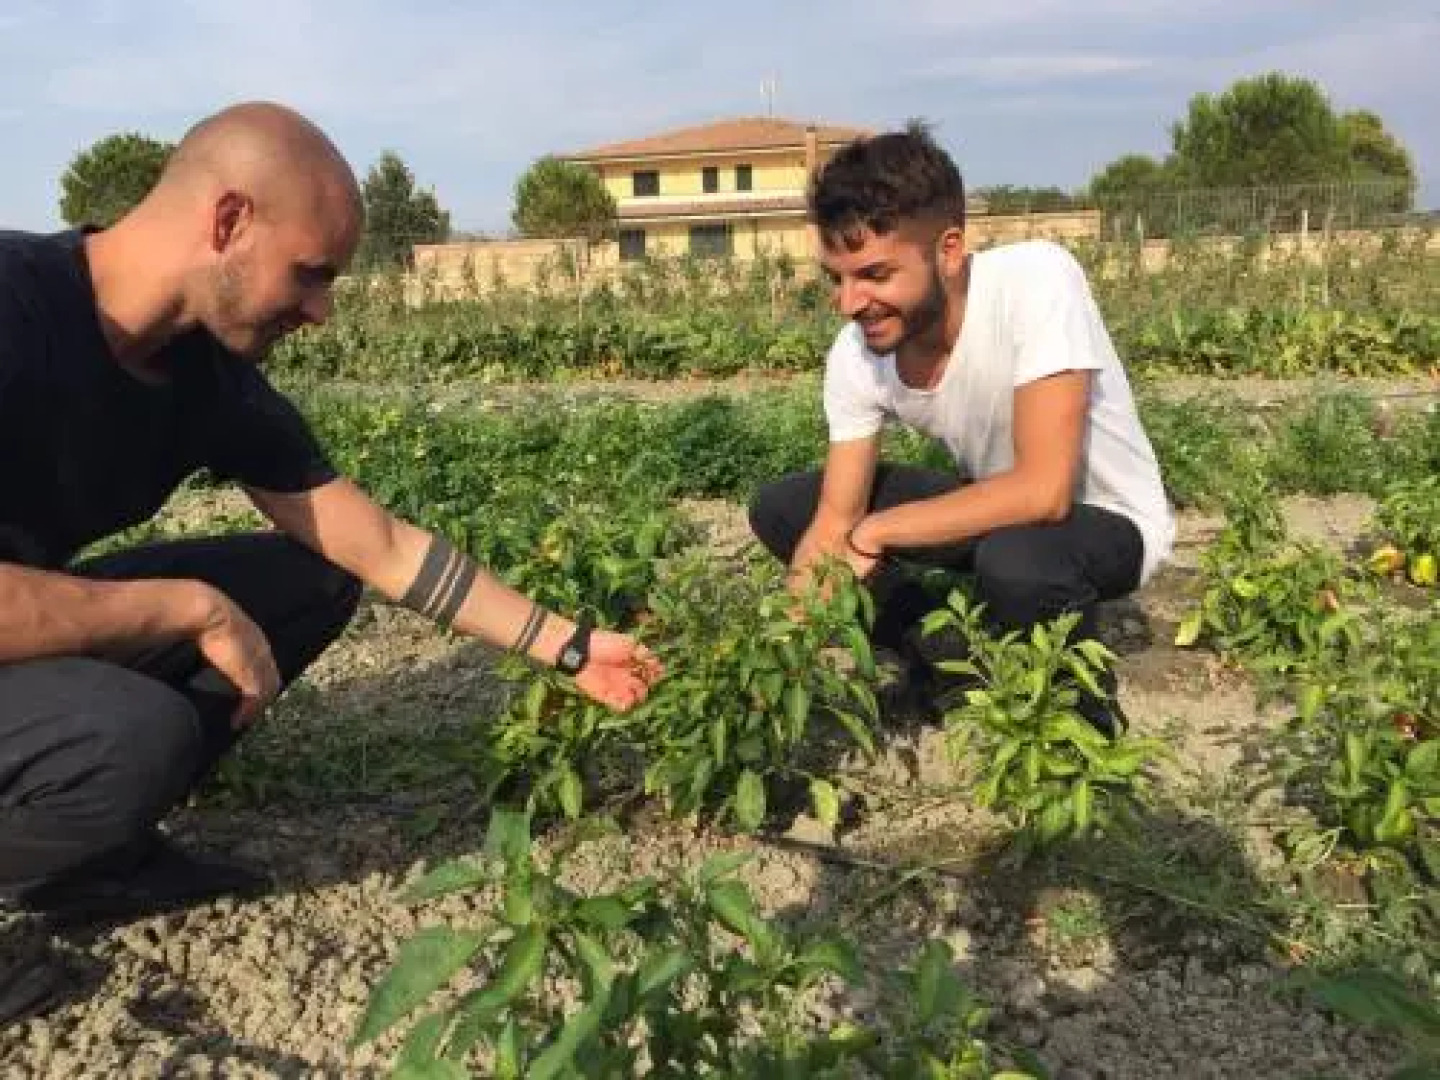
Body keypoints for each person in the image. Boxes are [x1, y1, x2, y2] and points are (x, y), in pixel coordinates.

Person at [0, 102, 663, 945]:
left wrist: (569, 647)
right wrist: (184, 607)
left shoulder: (201, 373)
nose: (321, 312)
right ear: (230, 221)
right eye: (310, 274)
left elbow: (380, 546)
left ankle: (87, 851)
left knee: (309, 581)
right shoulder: (14, 306)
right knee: (132, 732)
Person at [748, 122, 1175, 735]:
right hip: (995, 511)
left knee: (1019, 559)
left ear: (948, 250)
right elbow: (835, 520)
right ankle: (944, 660)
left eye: (875, 275)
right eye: (836, 278)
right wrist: (779, 650)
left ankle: (1082, 728)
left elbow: (1044, 493)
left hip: (1103, 522)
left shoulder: (1035, 281)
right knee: (784, 509)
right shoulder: (857, 354)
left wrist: (876, 532)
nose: (849, 303)